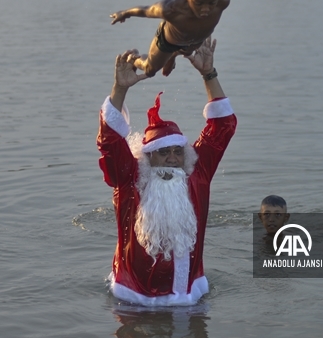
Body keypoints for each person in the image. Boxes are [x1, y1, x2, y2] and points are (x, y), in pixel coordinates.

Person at [97, 37, 235, 305]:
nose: (172, 158)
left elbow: (223, 126)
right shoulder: (130, 179)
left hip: (191, 299)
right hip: (133, 301)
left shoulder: (197, 174)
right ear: (147, 157)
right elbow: (110, 140)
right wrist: (119, 89)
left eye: (177, 151)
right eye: (163, 152)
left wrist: (209, 74)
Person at [110, 0, 231, 78]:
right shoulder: (170, 10)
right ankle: (133, 58)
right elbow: (145, 10)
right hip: (169, 41)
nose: (206, 9)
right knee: (149, 71)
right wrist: (124, 13)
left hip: (195, 40)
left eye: (212, 3)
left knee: (187, 53)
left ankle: (173, 55)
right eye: (198, 3)